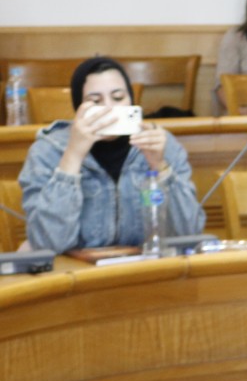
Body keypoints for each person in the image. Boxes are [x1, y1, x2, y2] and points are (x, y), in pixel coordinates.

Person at [19, 57, 205, 254]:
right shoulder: (47, 151)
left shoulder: (160, 143)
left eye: (118, 98)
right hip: (75, 270)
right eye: (95, 101)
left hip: (145, 266)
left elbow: (190, 233)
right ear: (78, 107)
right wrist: (73, 155)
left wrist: (160, 167)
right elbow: (48, 243)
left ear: (131, 100)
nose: (110, 108)